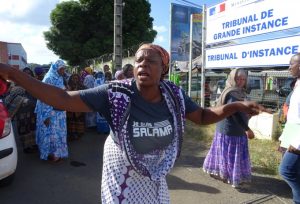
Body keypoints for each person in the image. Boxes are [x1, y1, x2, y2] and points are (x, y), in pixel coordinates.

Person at [0, 44, 267, 203]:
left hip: (156, 173)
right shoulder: (114, 93)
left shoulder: (174, 94)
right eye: (138, 59)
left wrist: (235, 106)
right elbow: (61, 98)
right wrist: (13, 74)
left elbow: (202, 117)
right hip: (122, 173)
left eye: (150, 60)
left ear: (163, 68)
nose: (142, 64)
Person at [203, 68, 255, 189]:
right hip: (230, 130)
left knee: (226, 153)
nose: (241, 81)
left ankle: (224, 173)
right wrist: (247, 129)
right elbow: (234, 113)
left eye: (243, 79)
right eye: (238, 79)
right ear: (232, 79)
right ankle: (230, 176)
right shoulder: (232, 93)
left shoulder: (240, 92)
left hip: (234, 129)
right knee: (229, 154)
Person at [34, 60, 68, 162]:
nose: (63, 70)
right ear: (56, 69)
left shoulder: (59, 78)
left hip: (60, 113)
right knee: (52, 134)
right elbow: (44, 98)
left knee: (59, 134)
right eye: (61, 69)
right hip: (51, 112)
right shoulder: (48, 79)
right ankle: (51, 155)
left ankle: (58, 154)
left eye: (64, 68)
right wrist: (46, 116)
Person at [279, 53, 300, 204]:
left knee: (286, 170)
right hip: (292, 133)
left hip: (298, 138)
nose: (289, 67)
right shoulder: (297, 83)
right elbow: (293, 116)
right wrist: (283, 140)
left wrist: (297, 142)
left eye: (291, 63)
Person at [66, 73, 86, 140]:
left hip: (79, 106)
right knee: (71, 120)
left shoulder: (81, 86)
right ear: (71, 79)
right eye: (73, 78)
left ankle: (79, 134)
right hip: (70, 107)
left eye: (76, 78)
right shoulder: (68, 86)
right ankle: (72, 134)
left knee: (79, 120)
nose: (75, 80)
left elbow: (85, 93)